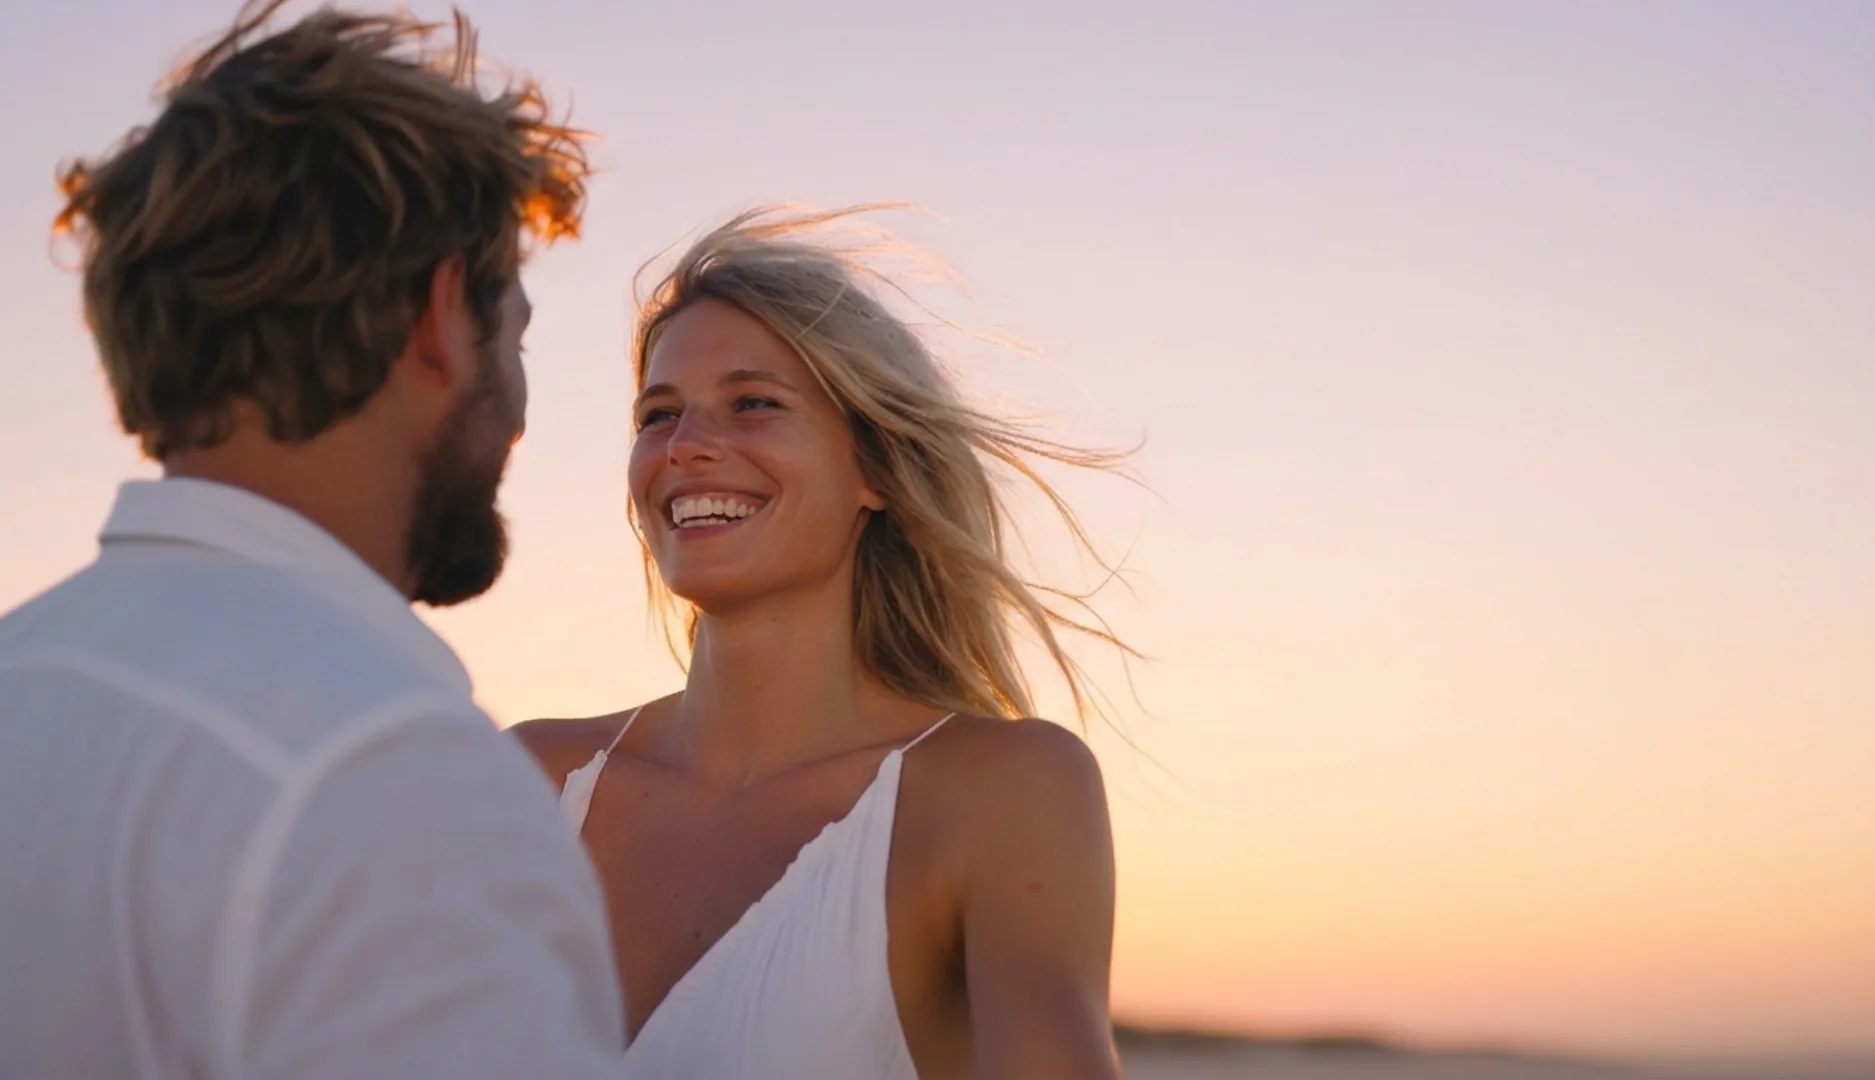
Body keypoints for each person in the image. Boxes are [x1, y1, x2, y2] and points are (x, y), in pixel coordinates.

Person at [0, 3, 627, 1078]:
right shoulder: (397, 778)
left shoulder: (28, 676)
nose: (519, 410)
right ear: (441, 318)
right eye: (512, 330)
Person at [514, 206, 1131, 1079]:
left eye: (753, 403)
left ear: (875, 469)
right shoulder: (530, 781)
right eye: (659, 413)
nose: (686, 447)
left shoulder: (1000, 794)